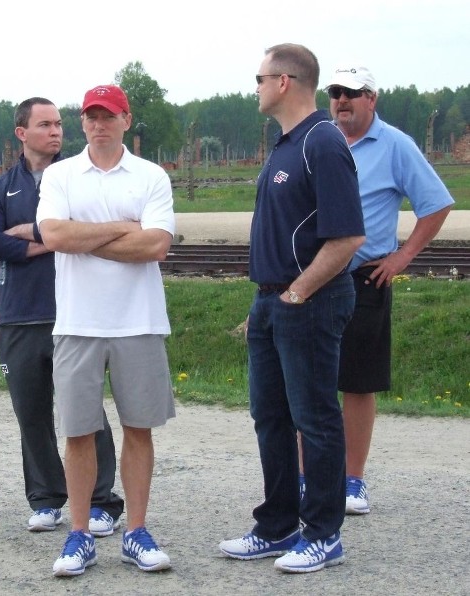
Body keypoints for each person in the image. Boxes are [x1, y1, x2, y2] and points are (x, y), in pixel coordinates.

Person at [217, 44, 365, 574]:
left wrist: (298, 292)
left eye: (259, 77)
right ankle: (277, 525)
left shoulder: (322, 143)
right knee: (272, 418)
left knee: (315, 418)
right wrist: (270, 301)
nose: (254, 86)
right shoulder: (284, 145)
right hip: (272, 303)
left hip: (310, 302)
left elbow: (347, 237)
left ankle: (323, 534)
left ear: (284, 82)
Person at [36, 84, 176, 577]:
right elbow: (53, 235)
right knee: (78, 432)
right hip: (77, 322)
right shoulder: (59, 175)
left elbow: (155, 245)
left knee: (138, 429)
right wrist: (122, 227)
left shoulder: (151, 175)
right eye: (91, 116)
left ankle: (136, 530)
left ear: (125, 119)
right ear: (83, 122)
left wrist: (84, 236)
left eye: (108, 115)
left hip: (138, 321)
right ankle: (79, 534)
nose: (99, 123)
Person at [0, 97, 125, 535]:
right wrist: (48, 243)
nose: (56, 131)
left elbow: (98, 231)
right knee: (31, 413)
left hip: (74, 313)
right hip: (20, 315)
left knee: (84, 412)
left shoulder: (80, 179)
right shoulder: (1, 189)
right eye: (45, 125)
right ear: (22, 133)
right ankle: (45, 497)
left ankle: (100, 501)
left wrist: (38, 235)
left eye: (59, 124)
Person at [326, 65, 454, 514]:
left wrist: (402, 257)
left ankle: (353, 480)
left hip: (363, 279)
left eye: (353, 93)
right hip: (312, 279)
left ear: (372, 99)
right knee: (306, 382)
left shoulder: (395, 145)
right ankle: (311, 480)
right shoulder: (320, 140)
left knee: (358, 384)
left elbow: (436, 204)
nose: (342, 100)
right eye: (336, 92)